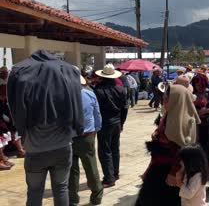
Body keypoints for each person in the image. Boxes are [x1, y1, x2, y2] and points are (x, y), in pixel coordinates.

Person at [7, 50, 84, 206]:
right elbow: (78, 109)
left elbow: (17, 112)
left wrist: (21, 133)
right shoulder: (66, 83)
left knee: (35, 192)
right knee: (61, 188)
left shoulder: (25, 83)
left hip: (35, 151)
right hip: (63, 148)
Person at [136, 85, 200, 206]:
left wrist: (173, 172)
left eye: (167, 98)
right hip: (158, 168)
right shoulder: (168, 115)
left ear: (176, 99)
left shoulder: (185, 120)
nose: (164, 101)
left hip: (170, 172)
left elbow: (183, 151)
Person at [69, 73, 104, 206]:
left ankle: (72, 198)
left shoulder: (62, 96)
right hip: (87, 135)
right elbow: (97, 114)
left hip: (69, 137)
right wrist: (96, 130)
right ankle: (96, 195)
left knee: (71, 170)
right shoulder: (90, 94)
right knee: (91, 166)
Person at [94, 64, 127, 188]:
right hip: (117, 121)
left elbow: (96, 110)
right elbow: (125, 108)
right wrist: (122, 122)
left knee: (104, 150)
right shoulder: (120, 89)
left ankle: (109, 178)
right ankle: (115, 173)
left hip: (105, 123)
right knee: (115, 148)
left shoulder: (98, 90)